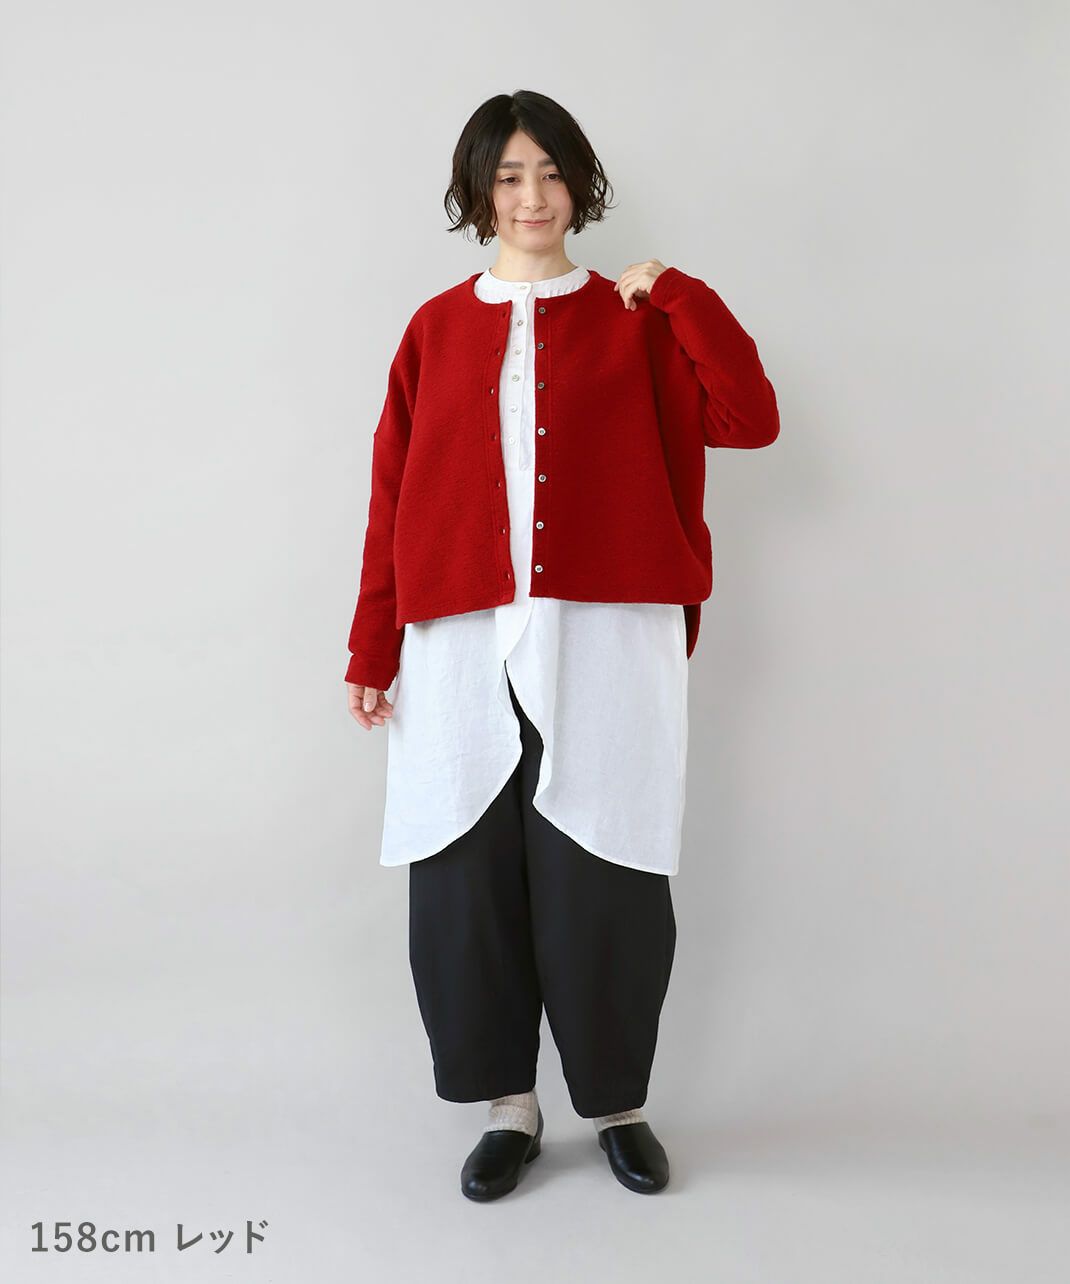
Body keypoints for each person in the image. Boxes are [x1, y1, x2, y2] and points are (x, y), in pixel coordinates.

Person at [343, 90, 780, 1201]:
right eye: (507, 177)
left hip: (607, 634)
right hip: (457, 641)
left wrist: (676, 293)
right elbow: (392, 496)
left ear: (579, 184)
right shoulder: (434, 329)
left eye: (548, 173)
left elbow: (748, 417)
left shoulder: (639, 318)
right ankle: (510, 1109)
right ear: (477, 193)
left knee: (607, 875)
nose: (530, 197)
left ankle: (619, 1106)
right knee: (466, 882)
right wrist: (371, 648)